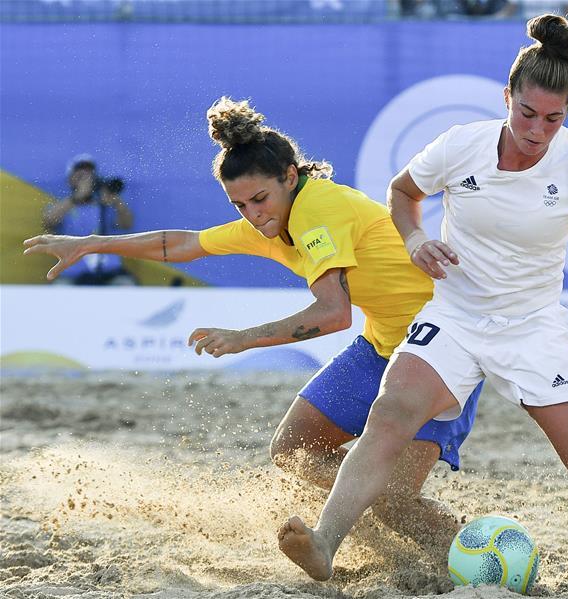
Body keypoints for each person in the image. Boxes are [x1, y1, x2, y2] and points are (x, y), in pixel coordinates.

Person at [277, 14, 568, 582]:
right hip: (454, 316)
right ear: (507, 97)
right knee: (390, 414)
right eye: (526, 113)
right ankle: (325, 544)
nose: (536, 130)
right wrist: (417, 237)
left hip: (531, 331)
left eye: (553, 118)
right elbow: (403, 191)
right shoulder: (463, 145)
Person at [24, 97, 482, 554]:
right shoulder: (272, 219)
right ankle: (372, 520)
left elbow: (332, 314)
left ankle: (468, 549)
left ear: (290, 175)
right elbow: (182, 244)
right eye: (239, 204)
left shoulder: (316, 209)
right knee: (295, 451)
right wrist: (91, 242)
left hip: (442, 350)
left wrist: (244, 338)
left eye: (259, 199)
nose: (253, 214)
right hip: (382, 346)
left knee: (394, 501)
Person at [42, 154, 136, 285]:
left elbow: (127, 224)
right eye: (80, 174)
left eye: (89, 174)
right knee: (60, 290)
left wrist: (116, 200)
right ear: (70, 179)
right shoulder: (63, 204)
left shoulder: (105, 205)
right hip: (71, 273)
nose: (86, 177)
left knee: (126, 287)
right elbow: (49, 221)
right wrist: (77, 196)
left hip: (110, 272)